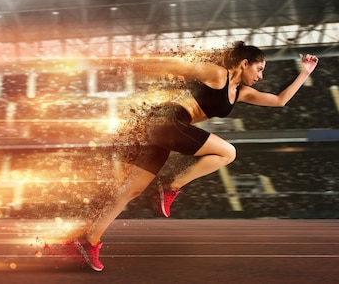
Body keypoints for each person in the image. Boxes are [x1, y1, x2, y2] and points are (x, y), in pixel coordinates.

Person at [72, 41, 319, 271]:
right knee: (228, 152)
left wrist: (305, 72)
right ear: (244, 63)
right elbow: (176, 66)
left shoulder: (239, 92)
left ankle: (88, 240)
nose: (261, 76)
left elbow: (279, 100)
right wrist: (126, 65)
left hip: (166, 130)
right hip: (165, 122)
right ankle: (170, 187)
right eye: (259, 68)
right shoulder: (217, 74)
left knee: (131, 190)